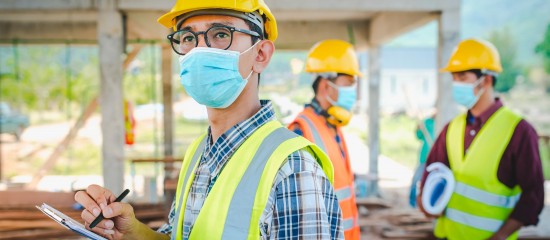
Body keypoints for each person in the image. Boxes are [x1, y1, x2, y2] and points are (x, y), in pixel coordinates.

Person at [74, 1, 344, 239]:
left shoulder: (292, 169)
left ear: (260, 55)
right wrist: (132, 232)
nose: (200, 50)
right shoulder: (199, 152)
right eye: (188, 37)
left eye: (221, 34)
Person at [417, 38, 544, 240]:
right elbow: (432, 172)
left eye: (462, 77)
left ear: (485, 80)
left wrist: (501, 236)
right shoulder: (452, 127)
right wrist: (425, 201)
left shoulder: (519, 132)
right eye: (454, 78)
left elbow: (533, 196)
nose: (456, 84)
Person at [288, 39, 361, 240]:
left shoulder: (332, 126)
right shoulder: (301, 131)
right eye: (348, 83)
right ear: (325, 85)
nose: (353, 92)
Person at [408, 115, 435, 208]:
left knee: (430, 182)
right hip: (424, 158)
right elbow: (419, 136)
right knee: (415, 180)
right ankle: (412, 203)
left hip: (435, 159)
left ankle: (427, 203)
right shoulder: (427, 122)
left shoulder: (442, 123)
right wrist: (418, 128)